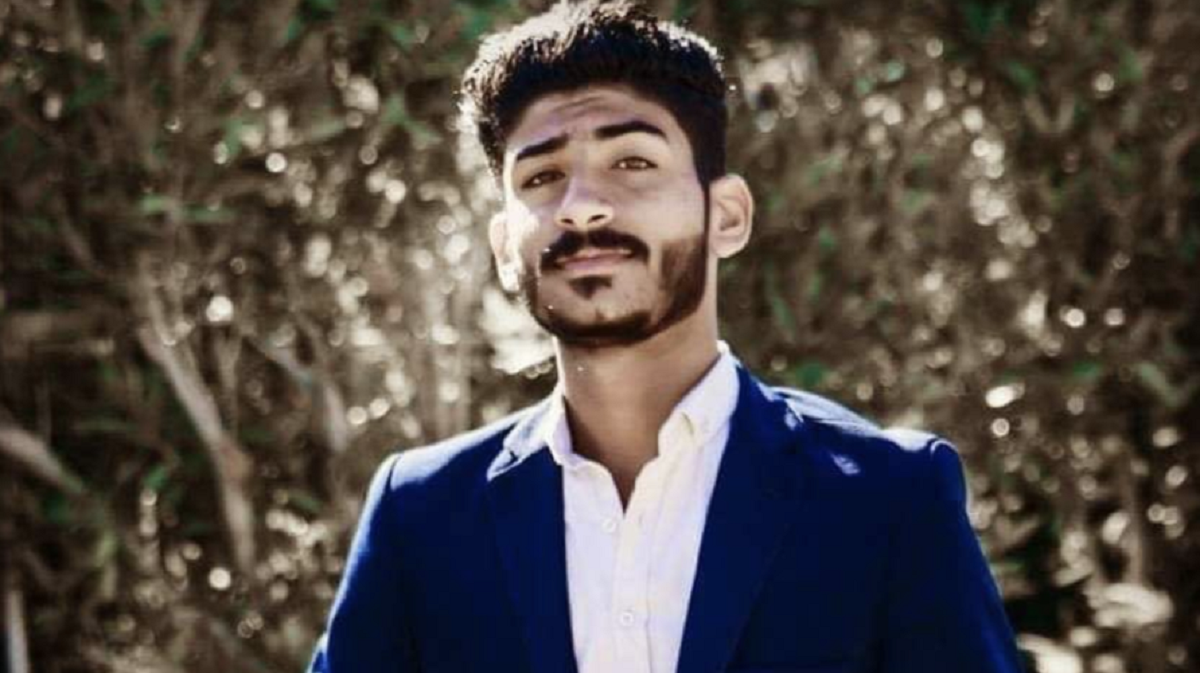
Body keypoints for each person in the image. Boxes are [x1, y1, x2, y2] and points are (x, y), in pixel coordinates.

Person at [308, 2, 1024, 672]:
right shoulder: (420, 515)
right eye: (542, 175)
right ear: (502, 247)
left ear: (727, 216)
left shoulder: (888, 501)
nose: (581, 207)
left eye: (632, 163)